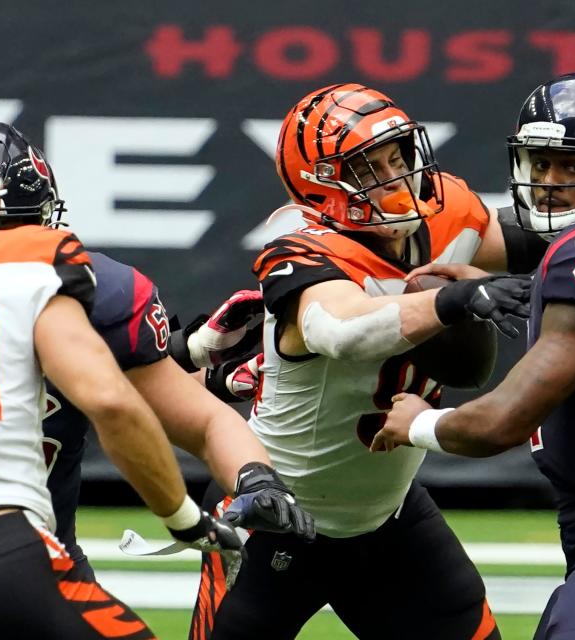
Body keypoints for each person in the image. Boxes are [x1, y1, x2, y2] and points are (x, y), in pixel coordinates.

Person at [189, 82, 539, 640]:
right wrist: (452, 300)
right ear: (322, 184)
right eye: (369, 167)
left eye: (397, 155)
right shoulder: (300, 250)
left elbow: (551, 238)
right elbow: (342, 329)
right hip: (279, 513)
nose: (396, 175)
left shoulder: (445, 219)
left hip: (388, 516)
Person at [370, 71, 575, 639]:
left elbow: (501, 423)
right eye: (541, 163)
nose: (550, 182)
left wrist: (418, 423)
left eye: (574, 166)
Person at [0, 121, 316, 630]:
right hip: (18, 553)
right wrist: (186, 520)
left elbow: (200, 420)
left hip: (34, 550)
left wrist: (253, 474)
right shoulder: (71, 284)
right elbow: (116, 402)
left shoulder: (82, 300)